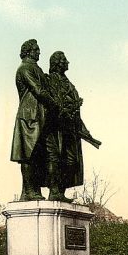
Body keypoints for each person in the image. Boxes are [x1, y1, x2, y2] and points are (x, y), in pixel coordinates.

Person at [44, 51, 101, 202]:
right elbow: (53, 103)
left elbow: (76, 112)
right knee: (56, 159)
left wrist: (86, 132)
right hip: (56, 128)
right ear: (57, 63)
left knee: (71, 162)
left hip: (71, 130)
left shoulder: (69, 84)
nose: (68, 62)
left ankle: (60, 191)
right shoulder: (50, 81)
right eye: (64, 60)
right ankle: (54, 191)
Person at [10, 39, 54, 201]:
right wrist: (54, 103)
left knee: (37, 155)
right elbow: (38, 90)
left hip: (38, 116)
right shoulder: (25, 68)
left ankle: (31, 190)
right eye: (36, 49)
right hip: (29, 116)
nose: (39, 52)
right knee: (29, 155)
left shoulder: (36, 68)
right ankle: (29, 190)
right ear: (28, 51)